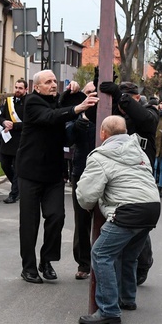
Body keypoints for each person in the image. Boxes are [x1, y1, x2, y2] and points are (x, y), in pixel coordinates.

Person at [76, 116, 161, 324]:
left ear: (102, 134)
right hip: (152, 208)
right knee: (129, 255)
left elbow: (87, 195)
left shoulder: (101, 156)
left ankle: (108, 310)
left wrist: (90, 207)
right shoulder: (139, 150)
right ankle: (128, 298)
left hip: (128, 210)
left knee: (100, 253)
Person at [16, 70, 98, 284]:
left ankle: (46, 260)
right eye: (48, 82)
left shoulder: (56, 103)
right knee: (29, 223)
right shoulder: (32, 102)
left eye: (55, 81)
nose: (53, 84)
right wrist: (76, 108)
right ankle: (29, 267)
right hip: (30, 172)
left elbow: (64, 119)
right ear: (37, 87)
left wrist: (75, 95)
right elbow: (51, 117)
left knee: (57, 217)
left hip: (53, 173)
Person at [69, 81, 98, 280]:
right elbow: (67, 135)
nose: (90, 97)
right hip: (81, 172)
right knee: (81, 221)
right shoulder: (78, 115)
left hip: (106, 175)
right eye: (86, 93)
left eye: (93, 93)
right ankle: (83, 263)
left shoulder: (109, 114)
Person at [0, 79, 27, 204]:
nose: (17, 90)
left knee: (17, 168)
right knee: (5, 165)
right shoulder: (9, 101)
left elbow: (30, 123)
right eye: (16, 87)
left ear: (26, 90)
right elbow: (1, 117)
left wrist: (14, 126)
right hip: (7, 139)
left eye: (20, 88)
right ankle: (19, 187)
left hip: (21, 139)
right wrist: (4, 122)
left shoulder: (29, 102)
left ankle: (13, 194)